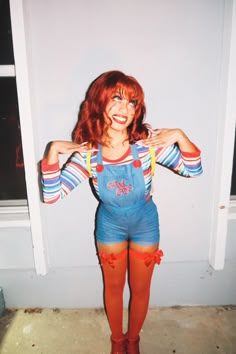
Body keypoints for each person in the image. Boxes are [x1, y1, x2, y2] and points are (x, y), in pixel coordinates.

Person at [41, 70, 203, 354]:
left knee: (140, 290)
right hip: (110, 226)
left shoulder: (146, 146)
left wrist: (179, 135)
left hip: (145, 224)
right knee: (114, 289)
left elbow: (193, 169)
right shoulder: (88, 153)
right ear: (99, 102)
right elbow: (52, 195)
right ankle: (118, 340)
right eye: (117, 98)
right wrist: (53, 151)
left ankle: (134, 339)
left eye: (132, 103)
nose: (124, 109)